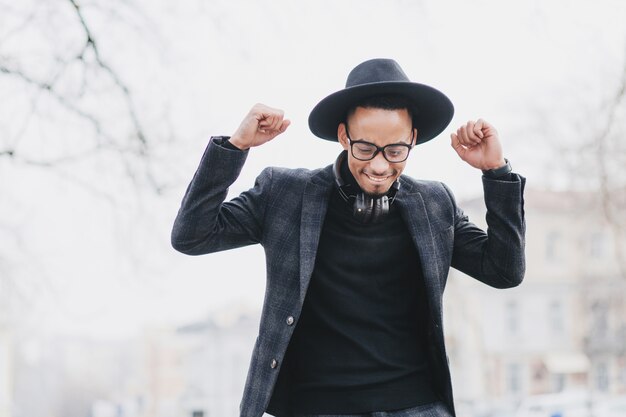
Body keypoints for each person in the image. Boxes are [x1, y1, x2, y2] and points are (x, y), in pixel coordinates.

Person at [171, 58, 526, 417]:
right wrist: (235, 147)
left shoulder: (434, 204)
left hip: (416, 406)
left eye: (396, 150)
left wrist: (496, 174)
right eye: (365, 148)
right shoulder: (284, 194)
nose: (379, 166)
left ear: (413, 139)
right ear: (343, 136)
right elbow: (192, 235)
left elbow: (504, 271)